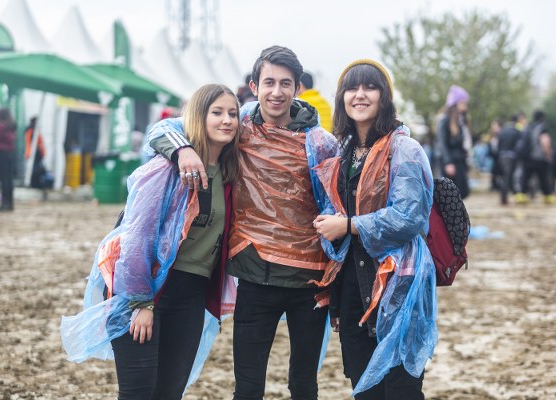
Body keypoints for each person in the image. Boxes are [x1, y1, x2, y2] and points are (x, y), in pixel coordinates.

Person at [145, 45, 339, 400]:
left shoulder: (320, 143)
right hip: (256, 277)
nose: (276, 92)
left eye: (285, 83)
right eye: (269, 82)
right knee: (248, 387)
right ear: (254, 85)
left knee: (304, 385)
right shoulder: (240, 126)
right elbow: (164, 129)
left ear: (298, 88)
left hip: (309, 280)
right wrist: (182, 149)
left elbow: (338, 205)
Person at [60, 84, 241, 399]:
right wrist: (141, 303)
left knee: (170, 393)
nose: (226, 120)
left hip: (191, 295)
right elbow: (136, 240)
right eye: (217, 112)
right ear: (198, 117)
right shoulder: (166, 169)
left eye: (233, 113)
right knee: (139, 393)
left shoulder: (228, 173)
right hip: (144, 291)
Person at [312, 59, 436, 399]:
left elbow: (410, 217)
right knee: (363, 387)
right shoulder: (343, 152)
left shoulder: (404, 149)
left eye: (370, 87)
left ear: (385, 96)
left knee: (400, 387)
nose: (360, 95)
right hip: (353, 286)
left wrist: (349, 225)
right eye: (352, 88)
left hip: (398, 284)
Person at [437, 85, 472, 198]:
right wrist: (448, 162)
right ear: (455, 103)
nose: (465, 106)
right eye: (463, 103)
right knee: (451, 195)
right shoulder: (445, 120)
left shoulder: (460, 121)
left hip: (460, 161)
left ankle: (457, 215)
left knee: (463, 192)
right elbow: (442, 143)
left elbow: (463, 145)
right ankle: (451, 215)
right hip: (451, 161)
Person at [515, 110, 556, 204]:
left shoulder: (529, 127)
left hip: (527, 158)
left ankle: (521, 195)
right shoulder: (542, 127)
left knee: (525, 177)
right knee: (544, 178)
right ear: (543, 118)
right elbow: (545, 141)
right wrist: (548, 155)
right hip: (539, 158)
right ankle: (547, 196)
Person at [0, 108, 17, 211]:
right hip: (10, 153)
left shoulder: (1, 127)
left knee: (3, 179)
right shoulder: (12, 125)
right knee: (9, 179)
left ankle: (4, 203)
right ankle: (10, 203)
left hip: (2, 153)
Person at [496, 114, 522, 205]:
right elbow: (519, 146)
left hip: (502, 156)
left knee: (506, 176)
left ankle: (511, 195)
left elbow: (498, 145)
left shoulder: (503, 131)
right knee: (507, 177)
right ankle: (504, 198)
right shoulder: (517, 132)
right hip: (511, 157)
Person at [24, 116, 48, 189]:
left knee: (34, 169)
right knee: (35, 170)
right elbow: (34, 143)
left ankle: (35, 183)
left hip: (33, 153)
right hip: (33, 154)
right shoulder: (32, 131)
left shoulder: (30, 130)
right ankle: (34, 184)